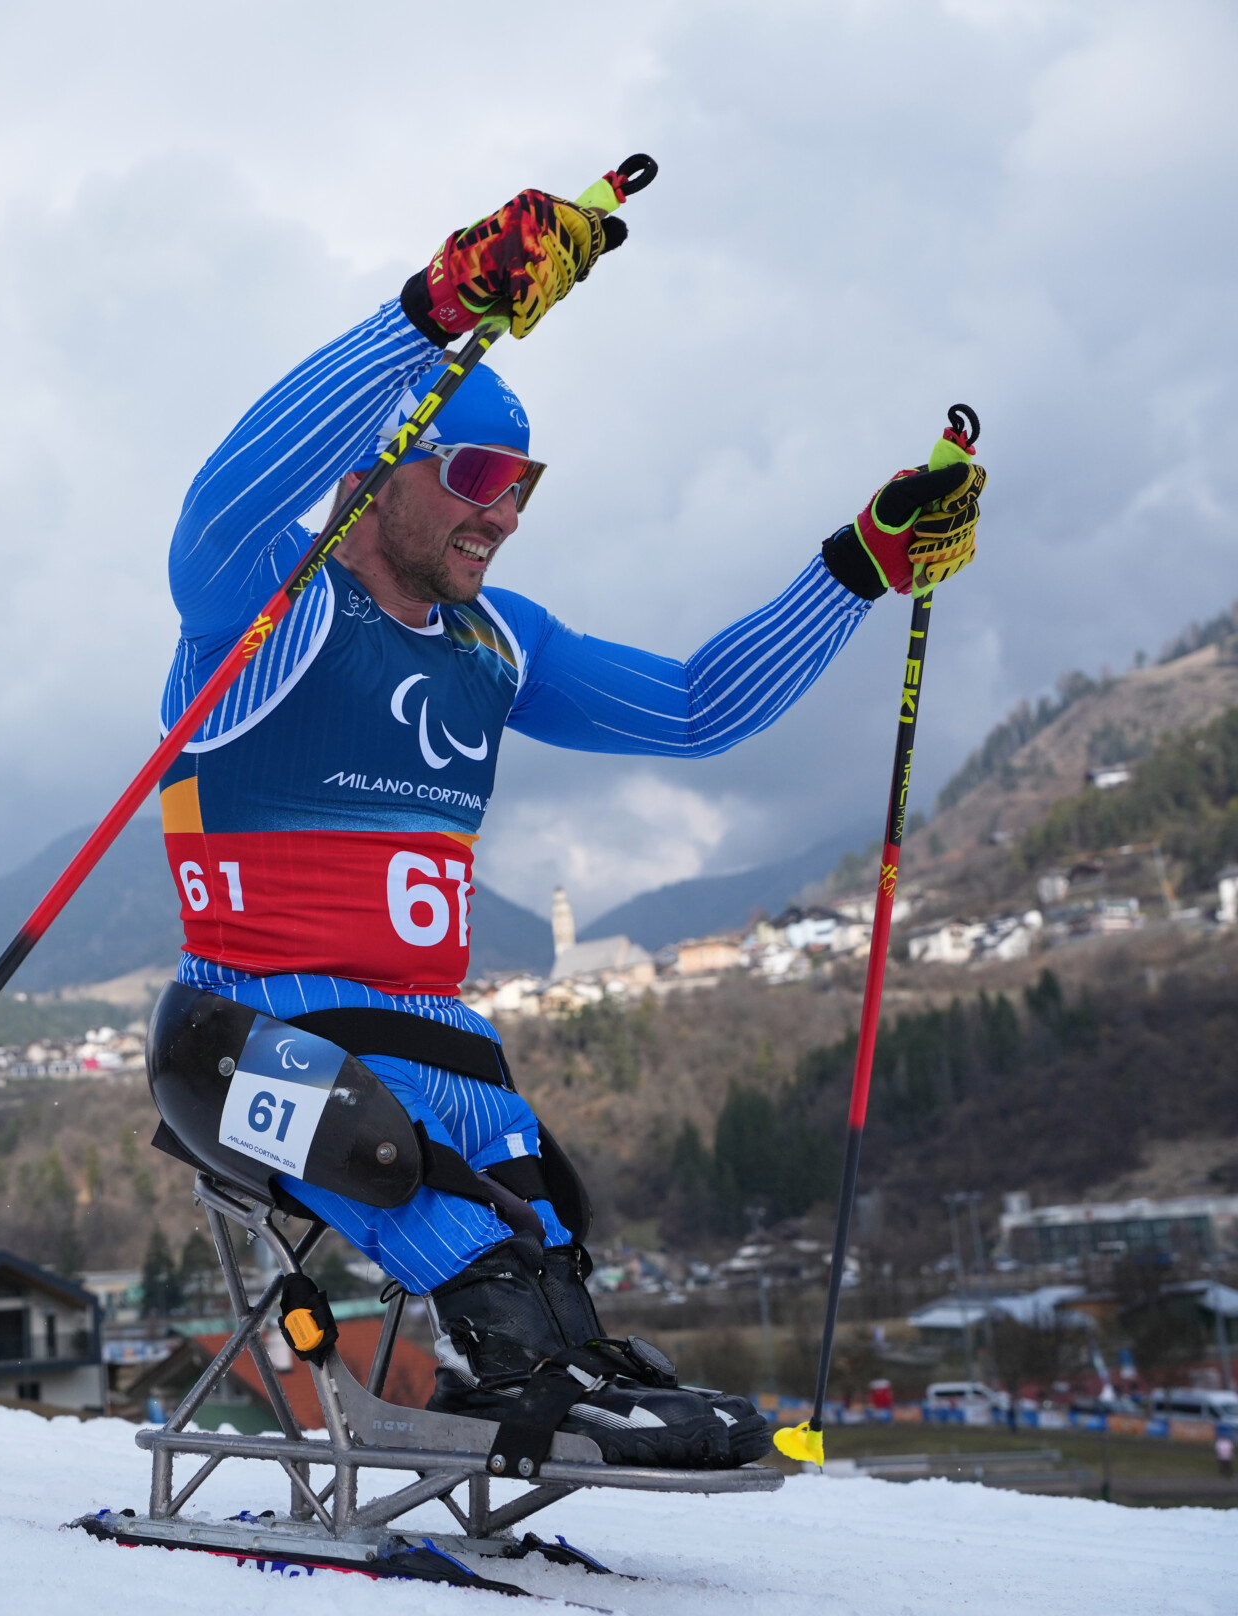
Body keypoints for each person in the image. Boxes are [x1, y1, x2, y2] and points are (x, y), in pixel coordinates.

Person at [148, 177, 984, 1469]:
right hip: (250, 1034)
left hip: (429, 1028)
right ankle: (522, 1363)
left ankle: (563, 1356)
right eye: (477, 472)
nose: (506, 510)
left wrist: (860, 567)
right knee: (401, 1149)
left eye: (525, 482)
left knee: (536, 1190)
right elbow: (216, 509)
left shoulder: (495, 640)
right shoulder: (282, 611)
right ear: (382, 469)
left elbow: (700, 706)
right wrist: (429, 316)